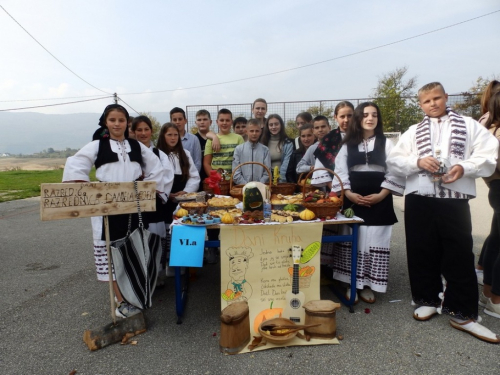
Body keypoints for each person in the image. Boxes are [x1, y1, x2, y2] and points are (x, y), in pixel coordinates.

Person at [387, 82, 500, 343]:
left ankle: (462, 313)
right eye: (427, 101)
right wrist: (416, 162)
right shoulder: (413, 131)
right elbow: (393, 160)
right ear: (421, 104)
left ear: (446, 97)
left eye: (437, 98)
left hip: (454, 199)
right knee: (421, 249)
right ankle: (426, 298)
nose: (433, 104)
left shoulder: (469, 125)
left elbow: (487, 153)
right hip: (420, 198)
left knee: (459, 251)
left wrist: (464, 167)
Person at [62, 104, 166, 318]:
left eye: (121, 120)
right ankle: (121, 300)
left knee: (135, 249)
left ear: (127, 123)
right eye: (112, 120)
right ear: (105, 123)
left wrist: (148, 187)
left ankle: (136, 294)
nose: (117, 124)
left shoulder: (137, 147)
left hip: (134, 205)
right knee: (112, 252)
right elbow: (76, 164)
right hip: (107, 208)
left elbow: (156, 167)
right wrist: (88, 190)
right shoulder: (97, 146)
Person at [330, 102, 404, 304]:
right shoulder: (347, 144)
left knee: (374, 239)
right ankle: (351, 283)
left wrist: (382, 194)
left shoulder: (387, 143)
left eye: (374, 115)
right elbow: (340, 171)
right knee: (354, 238)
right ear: (358, 119)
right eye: (365, 115)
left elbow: (395, 171)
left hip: (380, 199)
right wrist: (348, 193)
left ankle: (368, 284)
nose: (370, 118)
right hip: (354, 199)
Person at [132, 115, 174, 282]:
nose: (143, 133)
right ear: (134, 132)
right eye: (139, 130)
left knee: (156, 238)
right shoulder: (128, 153)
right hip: (134, 202)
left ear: (151, 131)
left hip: (155, 201)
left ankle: (157, 273)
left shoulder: (159, 154)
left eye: (146, 129)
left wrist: (153, 187)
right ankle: (141, 278)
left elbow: (167, 175)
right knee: (138, 238)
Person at [476, 80, 500, 284]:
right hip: (497, 184)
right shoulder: (490, 126)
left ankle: (487, 283)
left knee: (496, 235)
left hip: (495, 185)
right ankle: (492, 293)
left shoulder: (486, 124)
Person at [311, 101, 355, 187]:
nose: (346, 120)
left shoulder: (362, 136)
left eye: (349, 116)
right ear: (335, 117)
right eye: (342, 116)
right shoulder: (328, 139)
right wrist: (336, 188)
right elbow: (320, 167)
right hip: (336, 189)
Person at [203, 109, 244, 177]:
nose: (224, 123)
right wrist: (215, 178)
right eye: (221, 120)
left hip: (235, 180)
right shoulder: (211, 139)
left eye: (227, 120)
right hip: (217, 181)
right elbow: (206, 163)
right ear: (217, 122)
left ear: (231, 122)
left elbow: (242, 162)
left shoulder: (238, 138)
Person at [232, 119, 271, 185]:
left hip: (260, 187)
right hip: (242, 187)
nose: (254, 133)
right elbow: (235, 171)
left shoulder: (265, 150)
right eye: (251, 131)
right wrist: (246, 185)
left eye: (257, 131)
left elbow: (267, 172)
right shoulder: (239, 149)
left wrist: (258, 184)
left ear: (260, 132)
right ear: (246, 131)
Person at [260, 114, 294, 183]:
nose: (274, 127)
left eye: (276, 124)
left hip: (282, 177)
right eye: (271, 125)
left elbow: (286, 163)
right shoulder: (262, 143)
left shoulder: (288, 143)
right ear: (267, 126)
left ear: (281, 125)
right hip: (266, 177)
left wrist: (281, 180)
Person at [193, 109, 220, 191]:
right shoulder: (193, 139)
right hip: (198, 177)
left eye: (205, 119)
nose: (202, 122)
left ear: (210, 122)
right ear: (196, 122)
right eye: (199, 120)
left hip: (213, 177)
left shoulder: (217, 138)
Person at [170, 107, 202, 173]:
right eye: (175, 120)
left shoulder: (194, 139)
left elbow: (197, 162)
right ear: (171, 122)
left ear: (185, 121)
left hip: (190, 178)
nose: (177, 122)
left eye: (180, 119)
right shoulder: (167, 140)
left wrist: (192, 178)